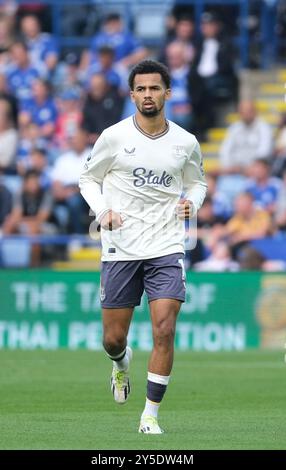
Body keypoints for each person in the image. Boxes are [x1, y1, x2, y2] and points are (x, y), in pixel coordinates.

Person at [79, 60, 207, 434]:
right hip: (121, 246)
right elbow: (87, 178)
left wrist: (191, 204)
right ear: (132, 94)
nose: (148, 95)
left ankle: (149, 415)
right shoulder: (114, 136)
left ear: (168, 92)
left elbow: (197, 183)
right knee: (113, 338)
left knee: (164, 329)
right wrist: (102, 210)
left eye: (155, 88)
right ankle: (120, 365)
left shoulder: (185, 142)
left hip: (167, 243)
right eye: (142, 89)